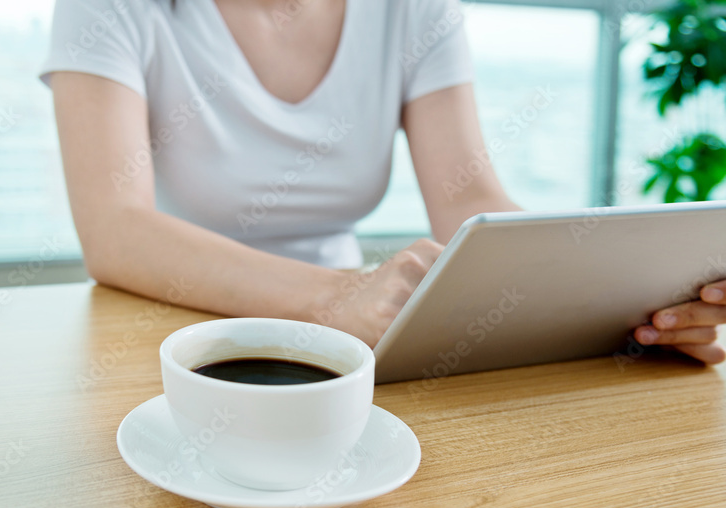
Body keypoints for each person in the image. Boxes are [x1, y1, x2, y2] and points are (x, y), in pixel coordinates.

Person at [41, 0, 725, 364]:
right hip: (166, 321)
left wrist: (618, 306)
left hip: (349, 335)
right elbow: (115, 231)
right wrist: (336, 296)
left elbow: (468, 200)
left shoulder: (413, 8)